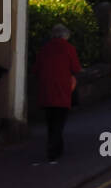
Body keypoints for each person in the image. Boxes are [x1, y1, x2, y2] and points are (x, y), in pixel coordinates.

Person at [33, 23, 81, 164]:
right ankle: (53, 150)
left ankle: (56, 147)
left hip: (46, 87)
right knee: (60, 120)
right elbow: (76, 68)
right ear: (65, 36)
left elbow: (35, 69)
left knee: (50, 119)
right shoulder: (68, 48)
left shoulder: (45, 48)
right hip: (62, 88)